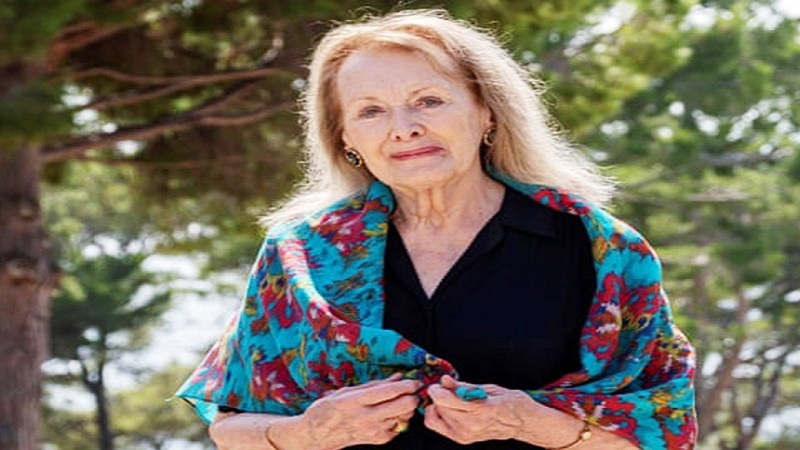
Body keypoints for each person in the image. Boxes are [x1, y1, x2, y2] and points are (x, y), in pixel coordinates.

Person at [175, 9, 697, 450]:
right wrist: (308, 432)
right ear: (346, 138)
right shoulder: (299, 256)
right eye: (371, 111)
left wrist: (531, 423)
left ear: (486, 112)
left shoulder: (601, 249)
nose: (404, 128)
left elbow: (664, 435)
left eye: (428, 100)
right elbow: (230, 427)